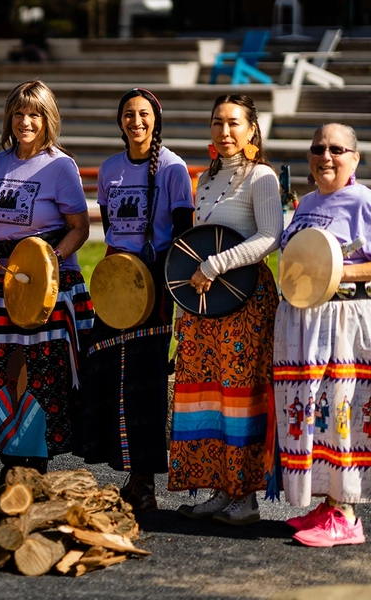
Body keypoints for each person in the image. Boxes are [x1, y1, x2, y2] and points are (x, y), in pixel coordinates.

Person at [75, 89, 194, 512]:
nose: (136, 121)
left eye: (144, 114)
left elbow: (182, 233)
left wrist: (160, 284)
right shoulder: (110, 169)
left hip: (156, 283)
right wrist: (115, 279)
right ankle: (122, 471)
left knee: (144, 382)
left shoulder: (174, 169)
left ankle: (144, 482)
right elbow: (110, 229)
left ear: (156, 120)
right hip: (114, 282)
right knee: (107, 371)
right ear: (120, 120)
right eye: (129, 114)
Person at [0, 80, 93, 486]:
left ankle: (35, 460)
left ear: (48, 120)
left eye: (35, 114)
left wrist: (47, 263)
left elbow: (80, 228)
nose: (26, 121)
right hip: (2, 282)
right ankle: (9, 453)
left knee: (42, 369)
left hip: (48, 281)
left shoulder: (61, 166)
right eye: (20, 113)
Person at [171, 94, 281, 525]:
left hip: (245, 301)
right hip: (204, 304)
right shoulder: (207, 179)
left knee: (241, 396)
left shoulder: (262, 177)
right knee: (209, 395)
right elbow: (198, 241)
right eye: (217, 122)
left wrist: (218, 264)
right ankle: (220, 488)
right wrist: (186, 301)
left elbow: (271, 236)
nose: (225, 131)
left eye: (234, 123)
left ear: (252, 128)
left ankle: (245, 496)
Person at [274, 123, 369, 546]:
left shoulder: (364, 200)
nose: (325, 156)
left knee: (343, 410)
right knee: (314, 414)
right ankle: (329, 503)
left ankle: (347, 515)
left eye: (335, 149)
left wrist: (337, 271)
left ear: (355, 158)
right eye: (317, 149)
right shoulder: (307, 202)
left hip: (344, 317)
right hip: (304, 322)